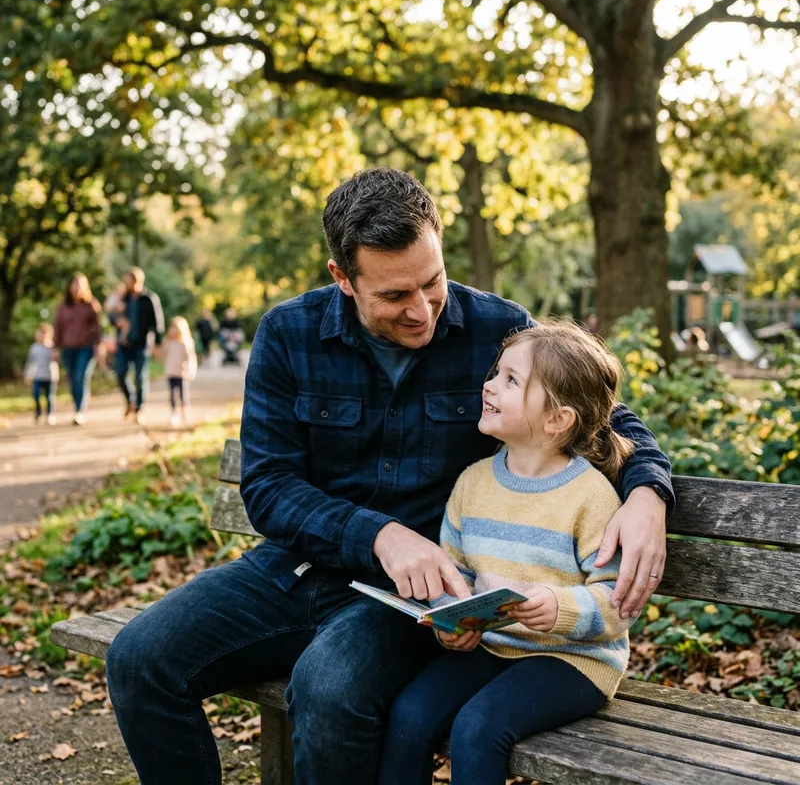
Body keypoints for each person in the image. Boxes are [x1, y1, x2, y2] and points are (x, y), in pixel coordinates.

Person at [104, 168, 674, 785]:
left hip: (416, 598)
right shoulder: (289, 335)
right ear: (342, 278)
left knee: (328, 687)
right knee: (139, 661)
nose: (422, 309)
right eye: (395, 296)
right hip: (293, 571)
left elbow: (601, 413)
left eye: (432, 282)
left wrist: (648, 490)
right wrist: (379, 533)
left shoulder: (493, 327)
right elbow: (268, 485)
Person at [378, 321, 635, 785]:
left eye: (510, 381)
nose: (489, 385)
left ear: (557, 419)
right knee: (410, 713)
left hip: (573, 660)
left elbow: (617, 602)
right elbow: (453, 574)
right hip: (492, 646)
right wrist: (450, 622)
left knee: (477, 728)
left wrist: (558, 607)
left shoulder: (591, 497)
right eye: (496, 373)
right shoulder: (473, 483)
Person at [113, 267, 165, 424]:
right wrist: (116, 319)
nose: (127, 284)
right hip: (123, 344)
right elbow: (111, 314)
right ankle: (131, 401)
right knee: (120, 374)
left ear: (138, 281)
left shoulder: (148, 298)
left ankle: (139, 409)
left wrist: (157, 343)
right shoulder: (123, 298)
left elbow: (157, 322)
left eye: (129, 281)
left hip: (142, 344)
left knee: (140, 377)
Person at [53, 273, 101, 425]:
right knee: (73, 379)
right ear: (70, 287)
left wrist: (99, 346)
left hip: (85, 348)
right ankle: (76, 407)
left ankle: (80, 411)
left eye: (81, 284)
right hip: (68, 348)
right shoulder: (63, 307)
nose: (77, 287)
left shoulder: (91, 305)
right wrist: (55, 347)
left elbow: (98, 329)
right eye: (75, 284)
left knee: (81, 376)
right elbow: (58, 328)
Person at [163, 316, 198, 427]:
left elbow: (190, 358)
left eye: (176, 328)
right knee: (173, 394)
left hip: (182, 373)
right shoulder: (168, 342)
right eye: (172, 327)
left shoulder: (185, 343)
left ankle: (185, 413)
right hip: (171, 372)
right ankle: (174, 413)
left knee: (183, 395)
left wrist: (190, 370)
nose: (173, 330)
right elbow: (163, 354)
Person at [24, 323, 59, 426]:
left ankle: (50, 414)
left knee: (49, 397)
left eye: (44, 334)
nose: (42, 336)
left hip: (50, 377)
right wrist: (27, 374)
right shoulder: (34, 347)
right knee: (36, 395)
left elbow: (57, 361)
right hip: (37, 376)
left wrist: (56, 356)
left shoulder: (52, 347)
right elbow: (30, 362)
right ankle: (38, 414)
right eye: (40, 333)